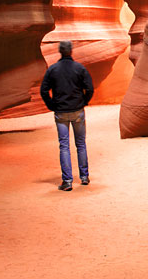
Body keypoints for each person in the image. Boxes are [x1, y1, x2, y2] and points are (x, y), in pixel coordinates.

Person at [40, 40, 94, 191]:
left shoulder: (53, 69)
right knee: (81, 144)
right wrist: (84, 101)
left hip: (61, 112)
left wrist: (51, 105)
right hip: (77, 111)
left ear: (60, 51)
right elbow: (89, 88)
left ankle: (68, 181)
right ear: (71, 51)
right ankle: (84, 177)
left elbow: (44, 91)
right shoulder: (79, 68)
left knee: (64, 146)